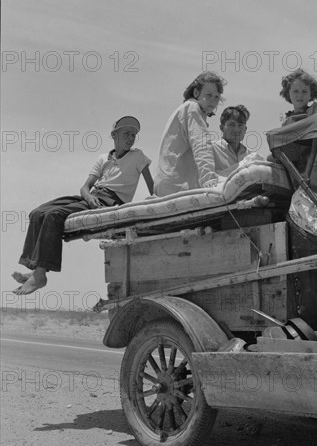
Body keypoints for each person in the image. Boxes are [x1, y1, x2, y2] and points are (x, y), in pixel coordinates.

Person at [12, 116, 154, 295]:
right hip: (91, 196)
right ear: (114, 135)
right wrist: (88, 198)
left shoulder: (138, 156)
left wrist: (156, 201)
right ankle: (35, 269)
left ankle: (40, 276)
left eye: (134, 134)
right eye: (127, 133)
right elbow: (85, 187)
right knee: (37, 212)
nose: (131, 138)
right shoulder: (104, 158)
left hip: (110, 201)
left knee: (53, 215)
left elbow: (152, 186)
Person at [154, 71, 226, 196]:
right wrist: (209, 179)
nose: (213, 101)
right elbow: (201, 144)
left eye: (216, 97)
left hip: (167, 183)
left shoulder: (184, 109)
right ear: (196, 92)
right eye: (208, 95)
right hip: (178, 185)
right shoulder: (192, 108)